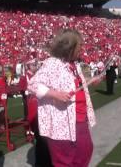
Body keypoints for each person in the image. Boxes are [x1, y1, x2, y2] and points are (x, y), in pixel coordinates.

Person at [28, 29, 101, 167]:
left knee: (86, 151)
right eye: (79, 46)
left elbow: (74, 85)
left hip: (80, 120)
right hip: (61, 123)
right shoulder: (52, 64)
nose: (82, 49)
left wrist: (91, 80)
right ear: (69, 47)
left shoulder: (75, 65)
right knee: (64, 161)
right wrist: (55, 94)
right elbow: (33, 84)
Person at [24, 58, 52, 167]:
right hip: (33, 103)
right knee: (41, 139)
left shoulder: (38, 76)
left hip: (40, 106)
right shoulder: (28, 76)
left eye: (35, 65)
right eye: (33, 65)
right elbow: (26, 88)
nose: (35, 66)